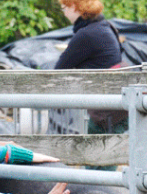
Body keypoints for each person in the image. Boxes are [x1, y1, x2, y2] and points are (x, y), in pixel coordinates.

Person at [54, 0, 127, 135]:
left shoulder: (86, 34)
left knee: (94, 152)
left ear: (75, 7)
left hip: (104, 114)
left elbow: (58, 71)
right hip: (117, 109)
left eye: (64, 8)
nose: (64, 13)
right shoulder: (106, 26)